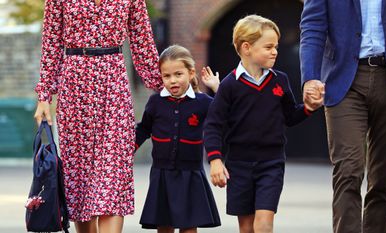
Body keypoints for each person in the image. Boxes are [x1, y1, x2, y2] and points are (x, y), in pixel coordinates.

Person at [33, 0, 162, 232]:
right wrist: (44, 95)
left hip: (114, 86)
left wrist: (166, 87)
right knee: (79, 181)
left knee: (114, 176)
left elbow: (142, 40)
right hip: (74, 87)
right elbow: (51, 42)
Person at [300, 1, 386, 232]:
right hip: (343, 80)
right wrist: (310, 77)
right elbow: (312, 26)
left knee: (383, 178)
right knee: (348, 170)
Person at [203, 15, 323, 233]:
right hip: (238, 165)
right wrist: (215, 160)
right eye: (268, 46)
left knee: (264, 223)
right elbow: (213, 124)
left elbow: (290, 116)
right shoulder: (229, 86)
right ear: (247, 48)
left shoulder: (280, 80)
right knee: (247, 227)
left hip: (272, 163)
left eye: (275, 46)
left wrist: (308, 108)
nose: (275, 51)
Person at [135, 45, 221, 233]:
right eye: (167, 76)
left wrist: (217, 88)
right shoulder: (156, 102)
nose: (172, 80)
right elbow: (143, 129)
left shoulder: (203, 102)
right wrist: (125, 152)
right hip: (162, 173)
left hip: (190, 173)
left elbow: (225, 117)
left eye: (178, 74)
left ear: (191, 73)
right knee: (164, 225)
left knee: (189, 226)